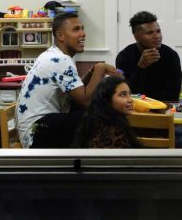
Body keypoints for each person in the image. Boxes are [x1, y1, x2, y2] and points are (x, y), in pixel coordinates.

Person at [16, 13, 118, 148]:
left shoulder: (52, 54)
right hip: (35, 135)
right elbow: (86, 100)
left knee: (86, 114)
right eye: (76, 29)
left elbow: (75, 90)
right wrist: (100, 68)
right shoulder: (60, 60)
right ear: (60, 36)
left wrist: (90, 74)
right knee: (89, 116)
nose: (83, 34)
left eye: (82, 28)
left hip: (37, 129)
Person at [115, 11, 182, 102]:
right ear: (136, 37)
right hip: (134, 106)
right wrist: (140, 67)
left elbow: (173, 92)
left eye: (158, 31)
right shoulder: (124, 57)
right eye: (150, 33)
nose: (157, 36)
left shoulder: (170, 55)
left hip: (164, 106)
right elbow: (126, 92)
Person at [72, 76, 141, 148]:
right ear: (107, 100)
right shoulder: (111, 131)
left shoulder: (100, 121)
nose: (130, 100)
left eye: (130, 94)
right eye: (123, 94)